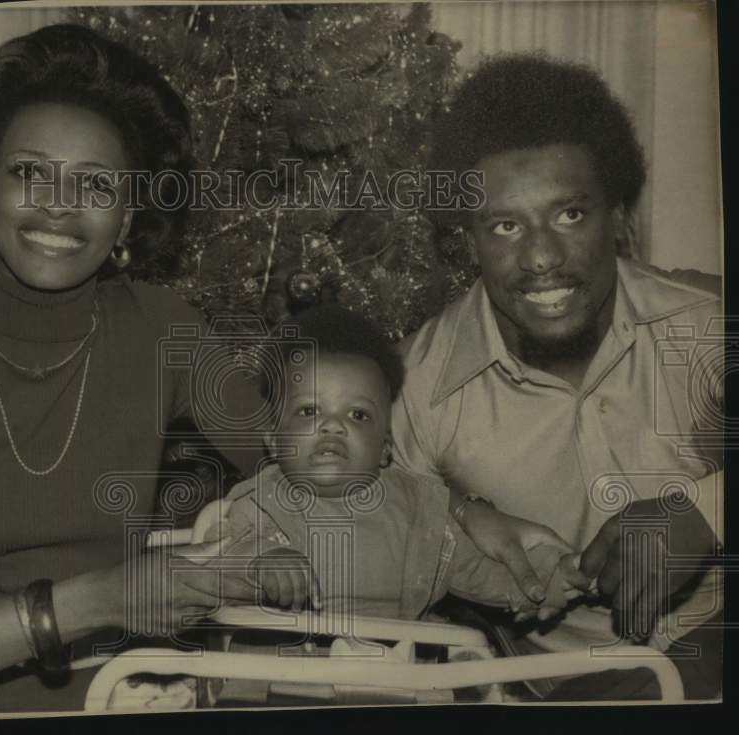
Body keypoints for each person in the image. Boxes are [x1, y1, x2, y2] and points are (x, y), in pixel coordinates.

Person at [0, 23, 266, 713]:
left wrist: (454, 517)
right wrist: (98, 599)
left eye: (95, 183)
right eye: (30, 172)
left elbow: (302, 460)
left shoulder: (162, 326)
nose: (60, 203)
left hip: (113, 692)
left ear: (126, 218)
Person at [393, 54, 722, 700]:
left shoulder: (709, 329)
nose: (541, 258)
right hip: (554, 689)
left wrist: (707, 513)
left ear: (620, 217)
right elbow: (359, 515)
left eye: (570, 215)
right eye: (506, 225)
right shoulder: (420, 386)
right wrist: (458, 514)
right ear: (469, 240)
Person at [213, 305, 580, 624]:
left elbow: (475, 570)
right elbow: (219, 559)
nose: (333, 425)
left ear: (385, 449)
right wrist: (262, 559)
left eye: (358, 415)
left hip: (397, 673)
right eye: (309, 411)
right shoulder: (259, 505)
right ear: (274, 440)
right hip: (287, 672)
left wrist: (546, 577)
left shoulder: (418, 510)